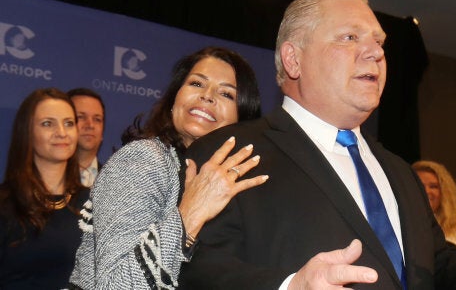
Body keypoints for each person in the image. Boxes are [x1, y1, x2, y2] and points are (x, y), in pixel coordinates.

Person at [180, 0, 456, 289]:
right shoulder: (228, 152)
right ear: (293, 58)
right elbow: (192, 268)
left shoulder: (399, 171)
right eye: (350, 37)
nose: (375, 52)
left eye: (379, 42)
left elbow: (435, 262)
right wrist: (290, 287)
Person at [69, 46, 268, 289]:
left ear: (242, 117)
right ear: (174, 99)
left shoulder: (236, 186)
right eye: (196, 84)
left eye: (227, 94)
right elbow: (115, 284)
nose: (207, 95)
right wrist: (191, 213)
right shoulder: (144, 159)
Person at [0, 88, 89, 289]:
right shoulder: (5, 204)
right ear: (27, 132)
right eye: (48, 124)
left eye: (69, 123)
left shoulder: (93, 202)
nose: (62, 133)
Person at [67, 88, 106, 187]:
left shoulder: (116, 182)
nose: (90, 125)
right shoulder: (42, 177)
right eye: (81, 117)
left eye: (97, 119)